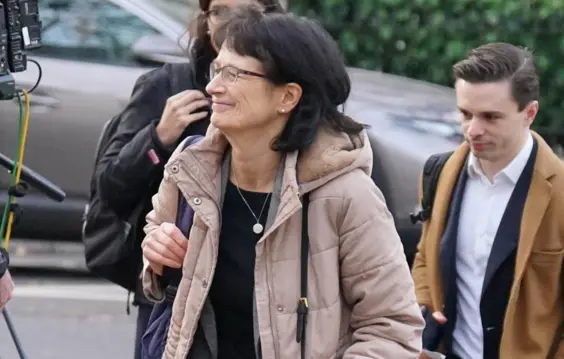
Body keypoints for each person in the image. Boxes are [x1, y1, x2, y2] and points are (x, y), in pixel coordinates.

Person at [140, 6, 425, 359]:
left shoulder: (347, 195)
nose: (213, 86)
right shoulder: (192, 167)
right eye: (217, 69)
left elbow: (392, 329)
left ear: (288, 96)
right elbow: (158, 250)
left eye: (234, 74)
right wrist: (156, 256)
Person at [94, 1, 284, 358]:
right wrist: (158, 137)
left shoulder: (288, 88)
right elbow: (111, 188)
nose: (235, 24)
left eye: (248, 11)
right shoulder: (168, 85)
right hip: (173, 293)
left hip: (267, 298)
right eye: (221, 11)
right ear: (205, 20)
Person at [412, 42, 564, 359]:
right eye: (465, 114)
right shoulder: (439, 175)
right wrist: (424, 311)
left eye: (491, 117)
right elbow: (425, 257)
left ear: (530, 113)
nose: (473, 130)